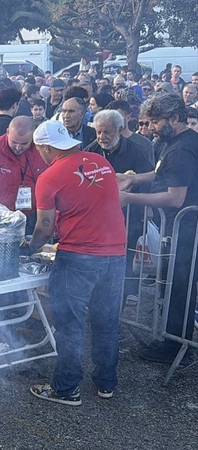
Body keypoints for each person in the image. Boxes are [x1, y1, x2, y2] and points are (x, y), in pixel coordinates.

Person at [25, 120, 126, 406]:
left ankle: (66, 388)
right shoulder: (100, 162)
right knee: (106, 321)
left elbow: (44, 227)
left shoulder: (49, 176)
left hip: (79, 255)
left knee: (70, 323)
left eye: (39, 150)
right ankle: (106, 383)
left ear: (46, 147)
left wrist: (30, 247)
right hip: (115, 252)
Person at [117, 93, 198, 364]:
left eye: (154, 121)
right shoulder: (173, 142)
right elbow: (161, 172)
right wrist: (133, 179)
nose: (150, 127)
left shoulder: (181, 149)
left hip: (186, 230)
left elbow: (175, 197)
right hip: (178, 228)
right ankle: (171, 339)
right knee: (171, 284)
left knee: (179, 286)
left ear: (174, 118)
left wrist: (130, 198)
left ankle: (176, 346)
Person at [84, 109, 155, 301]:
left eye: (106, 132)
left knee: (123, 262)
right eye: (98, 132)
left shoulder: (136, 151)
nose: (101, 137)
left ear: (120, 130)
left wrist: (147, 205)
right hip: (99, 218)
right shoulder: (91, 150)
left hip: (129, 216)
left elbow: (150, 179)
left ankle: (120, 300)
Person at [0, 116, 48, 234]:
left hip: (30, 215)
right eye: (14, 142)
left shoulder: (40, 150)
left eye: (24, 143)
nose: (18, 147)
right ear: (7, 132)